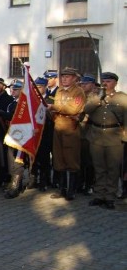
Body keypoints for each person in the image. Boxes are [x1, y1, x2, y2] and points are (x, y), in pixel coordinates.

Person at [84, 72, 126, 210]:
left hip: (114, 137)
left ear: (115, 83)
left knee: (113, 169)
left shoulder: (122, 98)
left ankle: (110, 197)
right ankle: (99, 195)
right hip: (96, 137)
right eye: (104, 81)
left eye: (108, 81)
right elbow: (86, 109)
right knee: (99, 168)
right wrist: (98, 99)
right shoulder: (94, 96)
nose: (105, 83)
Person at [49, 67, 85, 201]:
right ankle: (62, 189)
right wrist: (53, 112)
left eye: (68, 76)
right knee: (59, 158)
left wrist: (55, 107)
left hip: (70, 128)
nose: (64, 78)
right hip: (58, 126)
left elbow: (73, 108)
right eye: (63, 76)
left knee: (71, 159)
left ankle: (71, 190)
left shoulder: (78, 92)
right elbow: (60, 109)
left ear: (75, 78)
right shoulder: (59, 90)